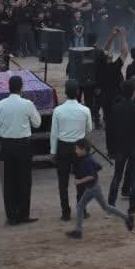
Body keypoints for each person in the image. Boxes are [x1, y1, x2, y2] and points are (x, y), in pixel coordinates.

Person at [0, 74, 42, 226]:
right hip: (23, 145)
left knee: (8, 181)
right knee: (24, 180)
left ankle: (11, 216)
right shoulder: (27, 104)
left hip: (6, 145)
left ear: (9, 87)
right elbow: (37, 123)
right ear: (21, 88)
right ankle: (23, 214)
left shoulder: (0, 105)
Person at [67, 139, 135, 239]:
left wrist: (80, 181)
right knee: (82, 206)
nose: (75, 151)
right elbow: (99, 166)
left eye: (77, 149)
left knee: (104, 207)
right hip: (92, 187)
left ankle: (127, 218)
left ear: (83, 150)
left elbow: (92, 176)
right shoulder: (88, 158)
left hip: (93, 189)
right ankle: (78, 231)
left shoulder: (87, 160)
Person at [51, 79, 94, 222]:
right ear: (77, 92)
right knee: (81, 180)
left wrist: (53, 151)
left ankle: (65, 212)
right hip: (79, 147)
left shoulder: (58, 110)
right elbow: (89, 129)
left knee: (62, 183)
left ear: (65, 92)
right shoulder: (85, 110)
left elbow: (54, 133)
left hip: (63, 147)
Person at [106, 76, 135, 216]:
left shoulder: (116, 109)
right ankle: (132, 209)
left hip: (121, 146)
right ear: (133, 93)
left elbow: (110, 130)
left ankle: (111, 204)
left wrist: (111, 148)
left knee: (117, 175)